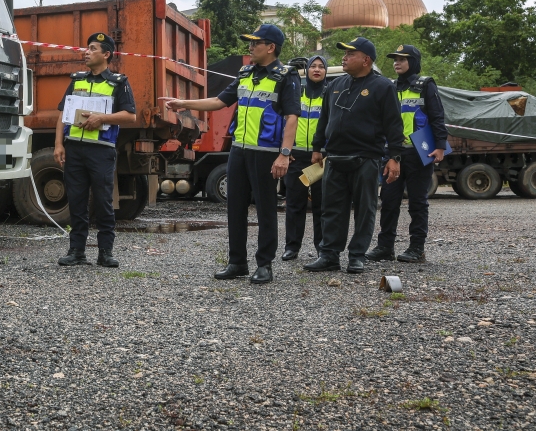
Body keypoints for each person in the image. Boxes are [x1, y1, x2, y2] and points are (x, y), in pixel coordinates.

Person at [163, 24, 300, 284]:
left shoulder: (285, 76)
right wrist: (183, 103)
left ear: (270, 47)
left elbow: (292, 117)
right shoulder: (246, 73)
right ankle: (237, 262)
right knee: (235, 208)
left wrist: (284, 154)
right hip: (239, 150)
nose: (250, 47)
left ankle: (264, 265)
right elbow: (219, 102)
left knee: (265, 209)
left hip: (266, 152)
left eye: (255, 43)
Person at [304, 37, 405, 275]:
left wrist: (395, 157)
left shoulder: (383, 87)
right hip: (335, 157)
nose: (345, 57)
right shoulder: (336, 85)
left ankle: (357, 256)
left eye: (351, 53)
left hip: (366, 158)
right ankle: (329, 255)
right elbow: (324, 119)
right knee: (331, 210)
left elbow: (394, 125)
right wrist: (317, 147)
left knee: (365, 209)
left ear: (366, 60)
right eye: (345, 53)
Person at [56, 33, 138, 268]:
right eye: (87, 48)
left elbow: (130, 115)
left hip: (101, 151)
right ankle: (77, 251)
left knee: (103, 202)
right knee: (77, 201)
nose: (86, 52)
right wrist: (59, 144)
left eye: (92, 49)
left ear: (106, 55)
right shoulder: (77, 80)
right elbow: (62, 113)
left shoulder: (118, 82)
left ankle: (105, 252)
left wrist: (102, 117)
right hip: (74, 149)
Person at [366, 45, 448, 263]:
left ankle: (417, 248)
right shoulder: (389, 87)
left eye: (403, 59)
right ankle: (385, 247)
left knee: (417, 202)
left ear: (413, 61)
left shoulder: (425, 85)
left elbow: (437, 117)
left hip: (419, 151)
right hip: (393, 153)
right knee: (389, 200)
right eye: (395, 59)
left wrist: (440, 145)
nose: (397, 62)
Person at [282, 54, 329, 261]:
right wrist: (285, 150)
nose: (317, 70)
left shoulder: (330, 94)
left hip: (320, 160)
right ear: (307, 70)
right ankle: (292, 247)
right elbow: (282, 122)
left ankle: (322, 248)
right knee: (294, 205)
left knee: (322, 206)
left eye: (321, 67)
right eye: (313, 66)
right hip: (296, 157)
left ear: (326, 72)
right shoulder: (296, 93)